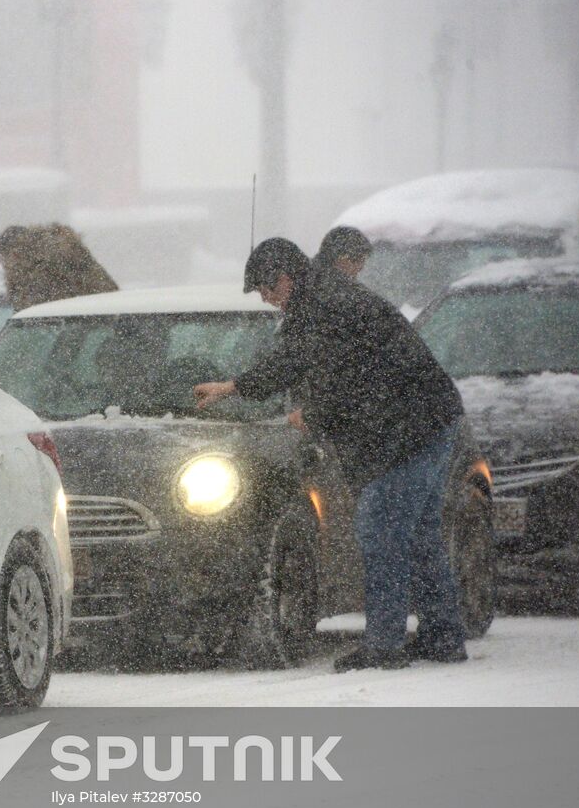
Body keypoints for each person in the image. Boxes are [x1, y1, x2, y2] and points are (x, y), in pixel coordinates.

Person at [192, 238, 468, 672]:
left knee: (382, 531)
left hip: (410, 429)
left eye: (266, 290)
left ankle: (385, 645)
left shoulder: (328, 305)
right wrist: (235, 387)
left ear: (284, 278)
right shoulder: (320, 299)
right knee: (417, 535)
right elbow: (296, 361)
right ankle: (442, 636)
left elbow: (353, 375)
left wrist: (316, 413)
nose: (267, 300)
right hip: (429, 418)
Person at [0, 223, 119, 312]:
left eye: (3, 260)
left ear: (12, 253)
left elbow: (32, 311)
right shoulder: (62, 251)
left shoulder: (33, 272)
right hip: (107, 312)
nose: (4, 267)